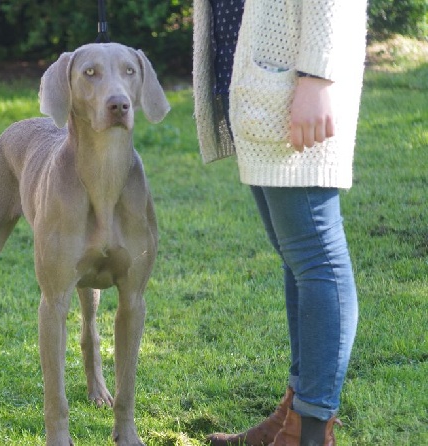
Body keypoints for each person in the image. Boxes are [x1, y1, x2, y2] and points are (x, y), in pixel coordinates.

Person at [192, 0, 368, 445]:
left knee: (316, 258)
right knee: (297, 259)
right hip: (257, 80)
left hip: (294, 83)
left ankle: (311, 431)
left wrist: (318, 76)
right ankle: (293, 415)